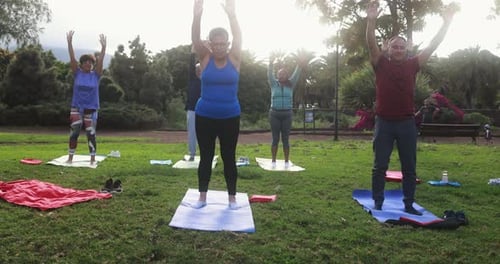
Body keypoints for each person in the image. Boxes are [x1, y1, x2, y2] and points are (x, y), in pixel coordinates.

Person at [366, 0, 456, 215]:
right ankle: (377, 202)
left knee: (409, 168)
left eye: (401, 47)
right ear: (388, 48)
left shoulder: (412, 64)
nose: (398, 50)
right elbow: (370, 43)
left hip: (406, 123)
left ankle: (409, 204)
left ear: (407, 49)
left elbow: (433, 45)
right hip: (384, 123)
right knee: (380, 166)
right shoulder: (380, 63)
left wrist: (446, 23)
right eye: (394, 46)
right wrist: (371, 21)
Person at [190, 0, 242, 209]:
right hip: (205, 116)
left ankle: (232, 199)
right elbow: (194, 37)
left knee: (229, 157)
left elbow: (239, 36)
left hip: (230, 117)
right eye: (216, 43)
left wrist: (232, 15)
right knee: (206, 156)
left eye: (223, 43)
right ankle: (202, 197)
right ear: (210, 44)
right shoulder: (205, 57)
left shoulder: (235, 57)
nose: (220, 47)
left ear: (227, 44)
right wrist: (197, 15)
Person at [66, 30, 107, 165]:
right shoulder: (77, 73)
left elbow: (100, 61)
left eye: (91, 62)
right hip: (76, 107)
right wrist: (70, 43)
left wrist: (103, 48)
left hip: (91, 109)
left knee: (91, 133)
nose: (89, 64)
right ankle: (70, 158)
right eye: (86, 62)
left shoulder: (96, 75)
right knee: (74, 133)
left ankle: (92, 159)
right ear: (82, 64)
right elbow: (72, 58)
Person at [267, 55, 303, 169]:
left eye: (283, 74)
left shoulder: (291, 84)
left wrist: (299, 64)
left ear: (287, 76)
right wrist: (271, 63)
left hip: (287, 114)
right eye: (279, 74)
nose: (281, 75)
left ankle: (286, 161)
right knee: (275, 138)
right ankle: (273, 161)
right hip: (274, 114)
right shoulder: (273, 84)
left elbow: (297, 74)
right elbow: (269, 74)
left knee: (286, 139)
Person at [185, 45, 202, 161]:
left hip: (204, 110)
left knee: (205, 134)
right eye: (197, 69)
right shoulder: (193, 78)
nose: (198, 71)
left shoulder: (207, 79)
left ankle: (205, 154)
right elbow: (191, 66)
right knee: (192, 133)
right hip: (192, 109)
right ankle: (192, 154)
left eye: (200, 69)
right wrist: (193, 53)